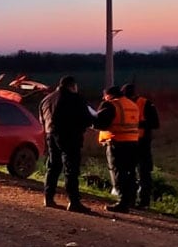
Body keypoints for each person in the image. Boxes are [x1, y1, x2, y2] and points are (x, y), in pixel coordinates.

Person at [38, 75, 94, 213]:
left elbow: (42, 120)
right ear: (72, 86)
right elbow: (87, 119)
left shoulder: (46, 99)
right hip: (70, 137)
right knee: (71, 169)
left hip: (50, 135)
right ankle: (74, 202)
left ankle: (48, 198)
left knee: (53, 166)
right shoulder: (75, 98)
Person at [94, 86, 140, 213]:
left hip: (117, 142)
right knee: (130, 172)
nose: (104, 98)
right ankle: (131, 200)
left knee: (118, 172)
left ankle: (122, 203)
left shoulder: (110, 105)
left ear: (109, 95)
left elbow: (100, 123)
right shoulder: (132, 105)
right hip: (133, 142)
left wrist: (92, 120)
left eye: (105, 96)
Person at [121, 83, 159, 209]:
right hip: (133, 142)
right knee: (138, 173)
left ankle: (140, 201)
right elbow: (155, 123)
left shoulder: (143, 103)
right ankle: (138, 201)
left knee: (139, 173)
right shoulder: (145, 103)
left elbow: (154, 123)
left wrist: (136, 123)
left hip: (138, 142)